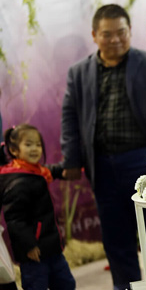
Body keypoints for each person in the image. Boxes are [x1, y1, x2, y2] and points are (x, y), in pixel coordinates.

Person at [61, 4, 146, 290]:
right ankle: (124, 287)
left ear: (130, 32)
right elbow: (70, 116)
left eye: (121, 33)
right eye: (107, 34)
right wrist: (71, 160)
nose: (115, 39)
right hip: (101, 164)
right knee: (116, 239)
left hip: (145, 160)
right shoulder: (79, 72)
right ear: (94, 35)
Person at [0, 124, 75, 290]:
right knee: (37, 286)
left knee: (66, 284)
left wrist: (67, 167)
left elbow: (49, 170)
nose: (35, 149)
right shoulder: (17, 183)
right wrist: (29, 245)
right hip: (34, 254)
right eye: (28, 144)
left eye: (38, 144)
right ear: (14, 150)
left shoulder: (35, 172)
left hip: (52, 248)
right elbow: (15, 220)